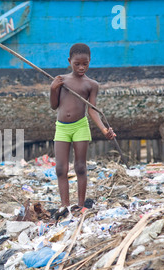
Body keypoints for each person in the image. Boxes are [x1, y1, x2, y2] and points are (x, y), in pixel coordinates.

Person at [49, 43, 116, 219]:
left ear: (89, 62)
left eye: (84, 64)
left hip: (80, 126)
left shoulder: (91, 84)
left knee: (80, 167)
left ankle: (80, 206)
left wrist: (104, 130)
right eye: (77, 63)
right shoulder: (61, 80)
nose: (81, 67)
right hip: (62, 128)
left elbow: (92, 110)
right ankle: (65, 206)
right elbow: (54, 106)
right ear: (69, 61)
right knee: (60, 169)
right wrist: (52, 88)